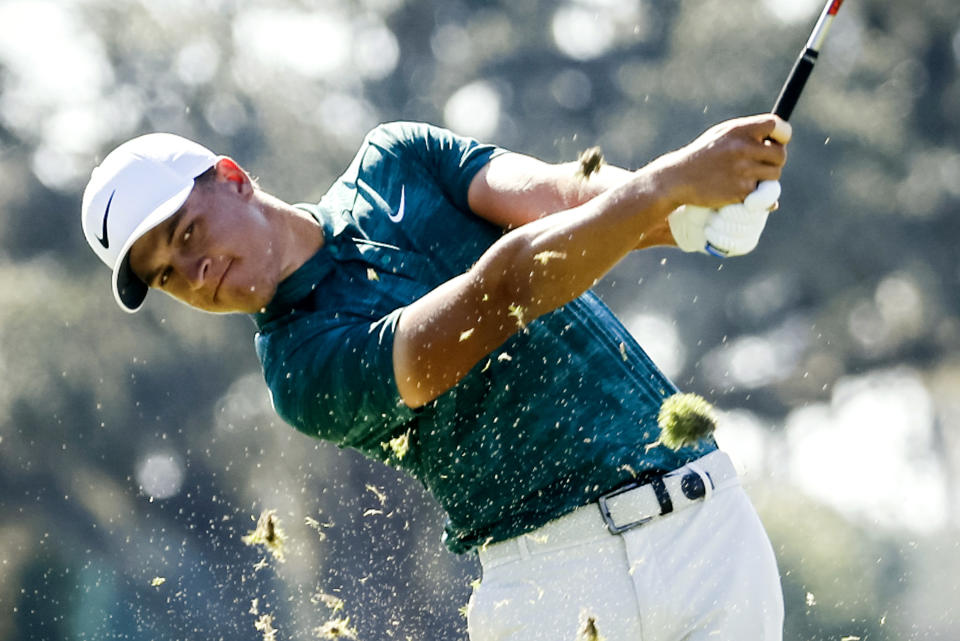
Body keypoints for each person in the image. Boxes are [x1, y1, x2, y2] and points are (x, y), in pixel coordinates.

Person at [81, 114, 791, 641]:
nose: (196, 274)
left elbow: (567, 199)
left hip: (707, 532)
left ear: (233, 180)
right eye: (167, 274)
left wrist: (695, 214)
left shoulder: (398, 161)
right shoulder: (300, 369)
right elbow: (496, 297)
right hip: (554, 585)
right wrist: (669, 185)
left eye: (188, 233)